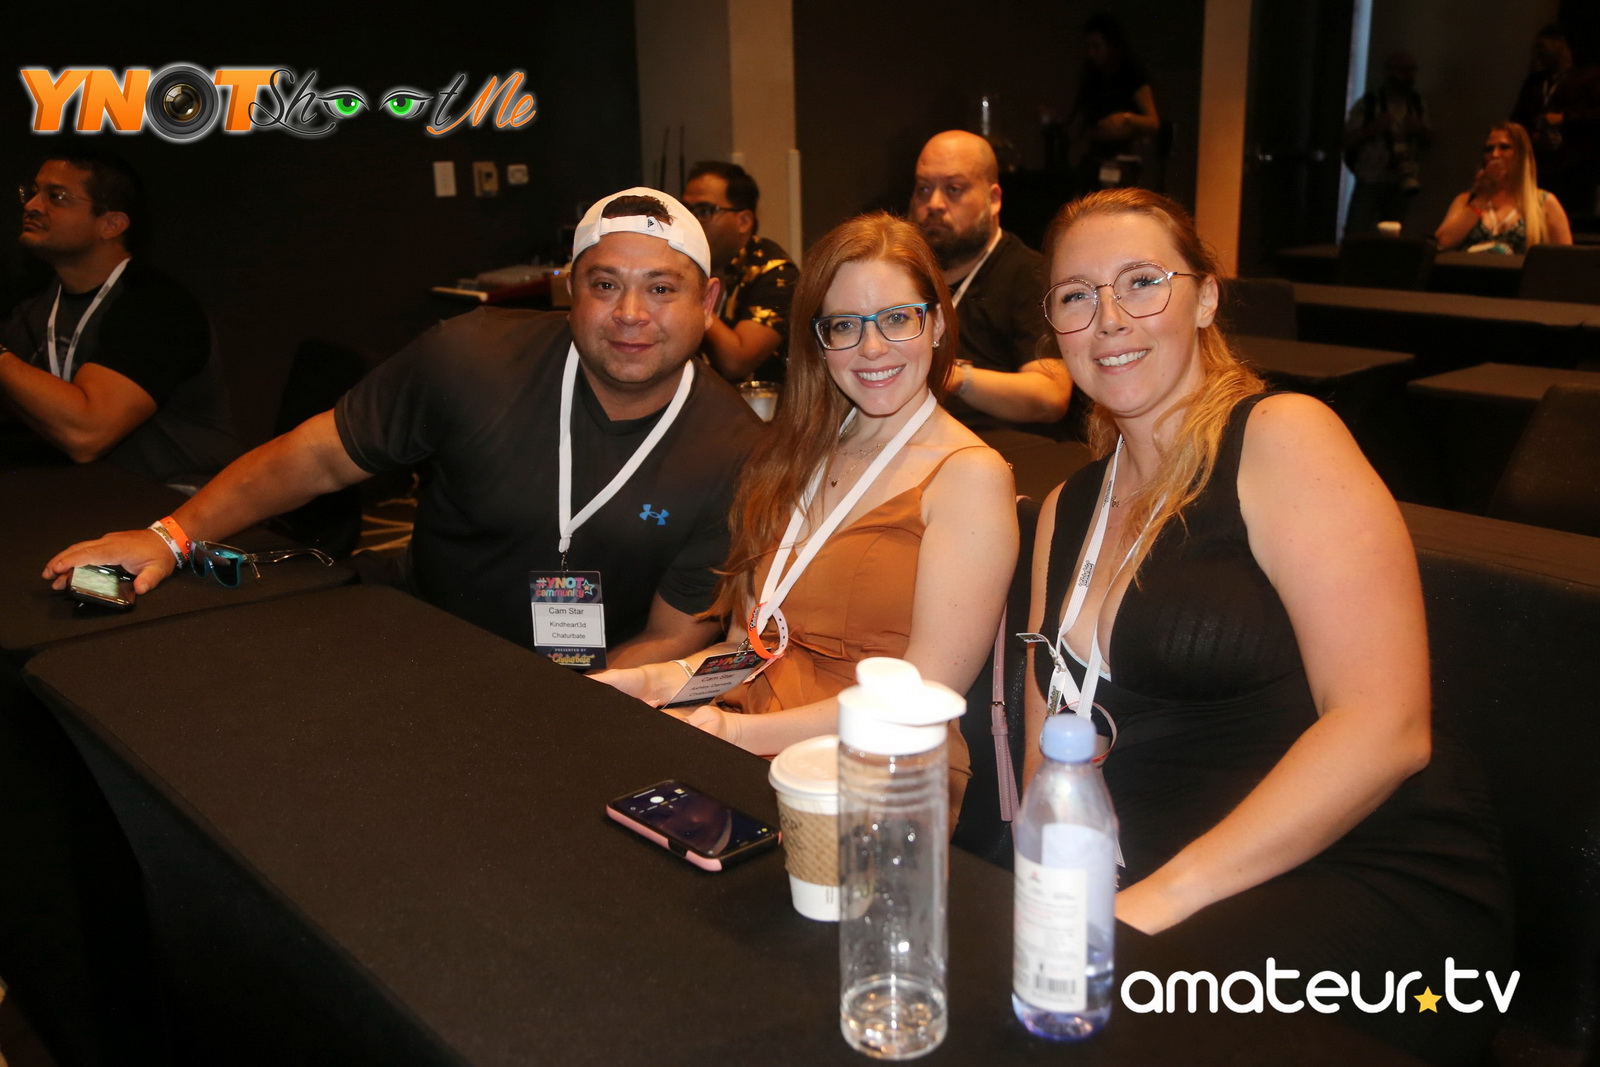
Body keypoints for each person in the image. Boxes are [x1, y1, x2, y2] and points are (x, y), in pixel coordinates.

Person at [1025, 188, 1510, 1063]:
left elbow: (1388, 727)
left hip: (1363, 876)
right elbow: (1045, 752)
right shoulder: (1067, 507)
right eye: (1076, 295)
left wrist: (1158, 901)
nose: (1109, 319)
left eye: (1142, 282)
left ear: (1206, 298)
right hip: (1164, 880)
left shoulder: (1284, 436)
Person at [44, 188, 764, 665]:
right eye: (604, 285)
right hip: (423, 636)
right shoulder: (472, 356)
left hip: (593, 683)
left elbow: (673, 635)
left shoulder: (738, 452)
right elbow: (316, 457)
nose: (631, 315)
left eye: (661, 288)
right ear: (569, 291)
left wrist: (558, 706)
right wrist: (170, 536)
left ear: (708, 302)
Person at [596, 212, 1019, 820]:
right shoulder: (796, 455)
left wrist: (733, 735)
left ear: (936, 323)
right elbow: (753, 649)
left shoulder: (969, 476)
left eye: (897, 318)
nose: (871, 348)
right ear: (819, 341)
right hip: (749, 737)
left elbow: (926, 691)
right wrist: (659, 681)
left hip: (877, 774)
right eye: (844, 325)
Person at [0, 151, 238, 481]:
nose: (32, 205)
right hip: (88, 490)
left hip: (178, 492)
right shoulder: (33, 306)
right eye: (33, 192)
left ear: (111, 225)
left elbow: (87, 434)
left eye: (56, 196)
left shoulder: (156, 307)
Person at [909, 130, 1071, 435]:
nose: (934, 203)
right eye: (923, 189)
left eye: (954, 189)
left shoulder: (1029, 274)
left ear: (993, 199)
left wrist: (955, 377)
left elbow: (1051, 395)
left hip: (1007, 450)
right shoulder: (905, 274)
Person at [682, 161, 798, 383]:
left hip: (765, 403)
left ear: (744, 221)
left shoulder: (776, 273)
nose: (691, 223)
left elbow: (737, 362)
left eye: (704, 211)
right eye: (686, 211)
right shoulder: (694, 264)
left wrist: (689, 291)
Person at [1435, 122, 1573, 254]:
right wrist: (1482, 197)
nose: (1495, 155)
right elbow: (1443, 242)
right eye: (1489, 149)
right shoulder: (1466, 200)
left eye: (1504, 147)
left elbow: (1564, 259)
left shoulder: (1544, 202)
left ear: (1521, 154)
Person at [1511, 24, 1600, 225]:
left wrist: (1565, 118)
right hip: (1539, 165)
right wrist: (1530, 135)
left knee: (1570, 220)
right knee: (1535, 218)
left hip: (1576, 166)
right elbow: (1518, 118)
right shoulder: (1535, 82)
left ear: (1559, 42)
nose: (1539, 54)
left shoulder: (1589, 76)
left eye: (1543, 47)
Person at [1067, 14, 1160, 192]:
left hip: (1124, 161)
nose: (1091, 53)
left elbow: (1153, 122)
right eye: (1088, 47)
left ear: (1112, 45)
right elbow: (1080, 126)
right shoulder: (1092, 78)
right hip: (1096, 160)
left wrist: (1125, 118)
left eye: (1096, 46)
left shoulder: (1132, 76)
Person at [1343, 51, 1431, 235]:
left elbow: (1429, 142)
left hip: (1402, 179)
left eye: (1412, 70)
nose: (1408, 75)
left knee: (1393, 234)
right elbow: (1347, 140)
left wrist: (1419, 130)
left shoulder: (1416, 104)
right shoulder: (1369, 103)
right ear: (1389, 72)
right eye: (1403, 70)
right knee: (1356, 230)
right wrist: (1373, 129)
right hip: (1371, 176)